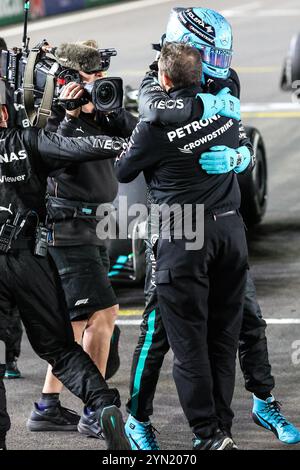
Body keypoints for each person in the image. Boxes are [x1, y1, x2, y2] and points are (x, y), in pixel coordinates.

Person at [125, 7, 300, 449]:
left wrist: (241, 159)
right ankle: (138, 417)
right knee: (157, 331)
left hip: (223, 225)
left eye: (221, 56)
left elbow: (240, 138)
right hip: (177, 228)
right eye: (210, 55)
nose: (219, 66)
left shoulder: (226, 78)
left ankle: (261, 402)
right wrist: (202, 106)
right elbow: (154, 109)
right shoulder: (156, 79)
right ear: (183, 48)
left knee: (250, 321)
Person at [116, 42, 250, 450]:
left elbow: (124, 170)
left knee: (184, 340)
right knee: (222, 339)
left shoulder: (154, 125)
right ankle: (220, 428)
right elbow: (241, 146)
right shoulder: (228, 104)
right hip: (230, 231)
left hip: (182, 231)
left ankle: (206, 434)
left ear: (164, 78)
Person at [0, 79, 130, 450]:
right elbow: (81, 148)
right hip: (29, 260)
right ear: (6, 111)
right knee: (60, 348)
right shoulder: (29, 141)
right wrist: (125, 144)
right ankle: (102, 403)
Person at [26, 40, 137, 438]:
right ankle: (94, 410)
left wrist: (104, 109)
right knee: (103, 316)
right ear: (70, 79)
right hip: (66, 227)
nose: (101, 84)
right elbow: (62, 153)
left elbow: (133, 130)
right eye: (94, 78)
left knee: (75, 324)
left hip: (85, 227)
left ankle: (47, 406)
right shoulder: (50, 115)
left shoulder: (99, 106)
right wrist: (73, 114)